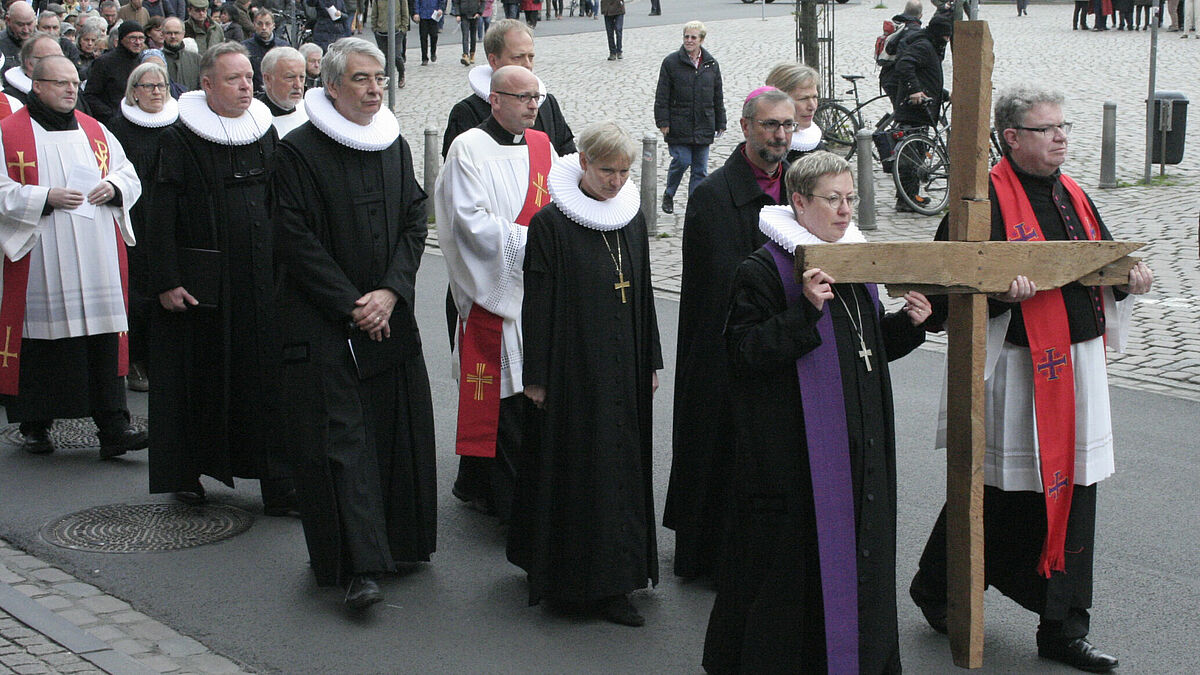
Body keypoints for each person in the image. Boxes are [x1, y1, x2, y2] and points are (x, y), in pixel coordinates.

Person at [908, 86, 1153, 674]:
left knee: (1075, 491)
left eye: (1063, 126)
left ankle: (1063, 627)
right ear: (1011, 138)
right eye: (1047, 129)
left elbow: (1102, 264)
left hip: (1078, 367)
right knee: (998, 493)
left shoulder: (1074, 194)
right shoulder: (980, 202)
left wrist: (1127, 280)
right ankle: (940, 588)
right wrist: (994, 294)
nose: (1062, 137)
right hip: (1014, 373)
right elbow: (942, 294)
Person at [702, 151, 930, 674]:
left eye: (850, 198)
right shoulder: (763, 269)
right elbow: (743, 354)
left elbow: (865, 354)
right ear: (798, 202)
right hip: (796, 461)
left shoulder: (857, 263)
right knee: (792, 576)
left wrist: (909, 326)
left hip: (863, 450)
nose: (845, 210)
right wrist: (803, 310)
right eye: (832, 200)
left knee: (862, 564)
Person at [271, 36, 437, 612]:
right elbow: (295, 241)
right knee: (343, 444)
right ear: (333, 86)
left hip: (389, 316)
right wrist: (354, 304)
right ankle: (355, 567)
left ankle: (401, 544)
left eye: (380, 80)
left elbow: (416, 217)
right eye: (363, 80)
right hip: (325, 323)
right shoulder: (295, 152)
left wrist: (391, 291)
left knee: (397, 431)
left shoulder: (392, 145)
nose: (374, 90)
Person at [507, 121, 662, 627]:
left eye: (623, 172)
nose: (616, 182)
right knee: (580, 469)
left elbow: (643, 291)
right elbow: (538, 302)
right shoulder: (552, 224)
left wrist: (652, 359)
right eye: (606, 171)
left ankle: (619, 578)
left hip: (626, 364)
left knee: (621, 468)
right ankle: (574, 580)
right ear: (583, 163)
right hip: (575, 368)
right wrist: (536, 375)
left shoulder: (631, 219)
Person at [145, 41, 293, 514]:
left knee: (267, 382)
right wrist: (166, 279)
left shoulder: (264, 130)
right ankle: (186, 473)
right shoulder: (179, 137)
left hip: (260, 279)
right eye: (234, 79)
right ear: (206, 84)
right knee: (196, 378)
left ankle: (277, 480)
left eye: (249, 77)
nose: (246, 86)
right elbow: (159, 214)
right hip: (202, 285)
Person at [438, 19, 574, 515]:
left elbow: (563, 198)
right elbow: (467, 223)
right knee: (501, 400)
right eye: (522, 98)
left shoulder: (543, 146)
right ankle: (509, 505)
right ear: (495, 99)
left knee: (528, 399)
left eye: (536, 98)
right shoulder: (468, 148)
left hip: (534, 291)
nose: (533, 106)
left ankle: (513, 496)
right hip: (494, 291)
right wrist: (535, 244)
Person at [664, 86, 795, 580]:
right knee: (720, 449)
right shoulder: (713, 195)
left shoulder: (796, 183)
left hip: (778, 341)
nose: (780, 135)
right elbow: (722, 284)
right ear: (745, 128)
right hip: (724, 344)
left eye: (787, 126)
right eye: (769, 125)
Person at [0, 54, 147, 458]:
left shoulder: (94, 129)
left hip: (96, 252)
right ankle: (35, 425)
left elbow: (127, 173)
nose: (70, 90)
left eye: (74, 83)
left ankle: (114, 428)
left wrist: (114, 189)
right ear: (37, 86)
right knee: (43, 342)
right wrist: (42, 197)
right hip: (43, 254)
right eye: (61, 83)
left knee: (101, 338)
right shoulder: (9, 133)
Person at [107, 62, 177, 393]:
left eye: (161, 86)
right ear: (134, 90)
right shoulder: (118, 127)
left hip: (170, 216)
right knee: (137, 293)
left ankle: (163, 358)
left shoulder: (178, 124)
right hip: (133, 219)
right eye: (149, 86)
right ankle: (135, 360)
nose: (156, 92)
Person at [441, 19, 574, 160]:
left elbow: (568, 156)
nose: (527, 65)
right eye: (518, 57)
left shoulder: (548, 105)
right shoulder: (467, 112)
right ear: (493, 61)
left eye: (531, 57)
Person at [654, 20, 724, 216]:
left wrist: (721, 122)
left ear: (701, 39)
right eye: (686, 36)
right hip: (679, 124)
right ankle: (669, 193)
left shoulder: (711, 64)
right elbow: (662, 94)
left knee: (700, 170)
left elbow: (717, 94)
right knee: (682, 160)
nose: (689, 40)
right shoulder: (671, 63)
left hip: (704, 123)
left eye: (693, 37)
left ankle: (695, 205)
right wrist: (663, 121)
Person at [890, 6, 952, 213]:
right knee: (910, 156)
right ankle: (906, 199)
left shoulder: (930, 46)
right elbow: (904, 65)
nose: (947, 40)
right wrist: (915, 91)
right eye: (945, 35)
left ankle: (911, 196)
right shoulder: (924, 46)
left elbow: (926, 76)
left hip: (921, 109)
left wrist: (942, 94)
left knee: (916, 155)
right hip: (912, 109)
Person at [82, 21, 145, 121]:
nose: (138, 42)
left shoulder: (143, 62)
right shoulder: (104, 63)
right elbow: (90, 95)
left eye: (141, 38)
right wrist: (112, 115)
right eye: (133, 38)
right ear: (121, 39)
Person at [765, 62, 825, 164]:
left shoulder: (814, 140)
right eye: (803, 99)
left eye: (814, 97)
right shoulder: (768, 153)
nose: (812, 106)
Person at [257, 45, 306, 136]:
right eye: (290, 77)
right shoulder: (254, 119)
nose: (298, 85)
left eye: (302, 77)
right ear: (268, 79)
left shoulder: (309, 111)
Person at [4, 33, 62, 106]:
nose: (61, 64)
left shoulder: (70, 93)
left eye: (61, 58)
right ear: (30, 64)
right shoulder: (9, 100)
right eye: (51, 59)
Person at [367, 0, 408, 88]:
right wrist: (374, 28)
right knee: (384, 57)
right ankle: (386, 79)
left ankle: (401, 74)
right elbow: (374, 13)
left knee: (396, 55)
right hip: (381, 31)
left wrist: (403, 28)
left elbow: (405, 12)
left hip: (396, 31)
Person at [242, 7, 284, 92]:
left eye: (267, 24)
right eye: (260, 24)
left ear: (273, 25)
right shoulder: (244, 48)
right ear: (254, 25)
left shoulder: (283, 48)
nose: (264, 27)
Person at [161, 16, 200, 90]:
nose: (173, 36)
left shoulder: (196, 59)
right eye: (169, 33)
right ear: (162, 34)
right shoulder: (157, 59)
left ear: (183, 34)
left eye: (176, 33)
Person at [0, 2, 37, 74]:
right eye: (20, 25)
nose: (26, 30)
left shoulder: (44, 42)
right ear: (8, 21)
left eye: (29, 24)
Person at [412, 0, 443, 65]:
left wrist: (440, 8)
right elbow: (416, 1)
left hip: (434, 14)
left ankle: (433, 52)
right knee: (423, 37)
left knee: (434, 36)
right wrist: (416, 13)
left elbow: (442, 1)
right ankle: (424, 58)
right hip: (423, 14)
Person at [455, 0, 480, 66]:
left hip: (474, 15)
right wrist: (457, 14)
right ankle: (465, 54)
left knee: (473, 36)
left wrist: (479, 12)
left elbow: (483, 2)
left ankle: (472, 53)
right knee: (465, 35)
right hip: (464, 16)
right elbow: (456, 2)